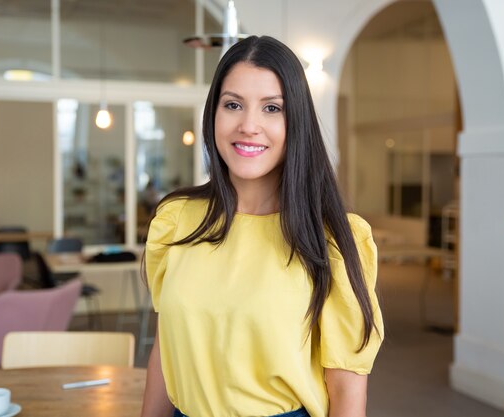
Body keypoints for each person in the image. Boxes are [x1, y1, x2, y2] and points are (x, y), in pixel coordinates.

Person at [141, 35, 384, 417]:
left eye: (272, 108)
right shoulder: (177, 220)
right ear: (213, 114)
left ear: (296, 121)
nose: (249, 125)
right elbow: (164, 349)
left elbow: (346, 388)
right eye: (233, 104)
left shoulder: (334, 239)